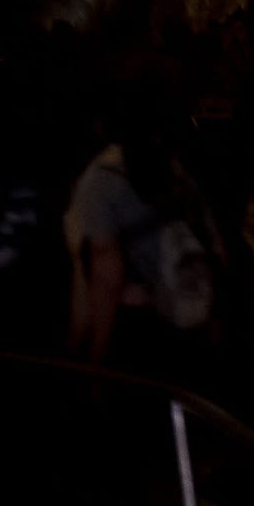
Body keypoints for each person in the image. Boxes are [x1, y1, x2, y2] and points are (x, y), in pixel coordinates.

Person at [65, 109, 218, 375]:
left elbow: (106, 278)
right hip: (189, 318)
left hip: (136, 326)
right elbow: (215, 248)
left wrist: (93, 359)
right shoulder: (181, 176)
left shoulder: (101, 181)